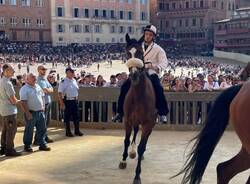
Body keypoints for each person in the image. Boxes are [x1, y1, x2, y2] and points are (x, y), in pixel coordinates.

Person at [112, 24, 169, 123]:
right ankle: (120, 112)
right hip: (139, 71)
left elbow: (164, 62)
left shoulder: (158, 49)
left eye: (150, 35)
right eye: (146, 34)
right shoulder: (138, 45)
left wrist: (155, 67)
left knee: (158, 87)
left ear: (153, 37)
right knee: (124, 87)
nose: (147, 36)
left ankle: (162, 113)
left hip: (151, 72)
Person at [20, 73, 51, 152]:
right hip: (31, 112)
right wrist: (27, 113)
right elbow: (23, 102)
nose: (35, 78)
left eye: (35, 77)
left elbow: (42, 97)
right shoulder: (24, 89)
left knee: (42, 129)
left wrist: (43, 106)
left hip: (40, 112)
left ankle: (42, 144)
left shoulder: (37, 86)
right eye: (32, 77)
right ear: (27, 79)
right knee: (29, 130)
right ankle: (27, 145)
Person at [0, 64, 22, 156]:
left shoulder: (1, 81)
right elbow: (12, 99)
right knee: (11, 130)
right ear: (6, 71)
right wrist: (20, 101)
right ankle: (9, 150)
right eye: (12, 70)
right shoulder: (8, 83)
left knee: (5, 130)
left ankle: (3, 148)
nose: (13, 71)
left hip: (3, 110)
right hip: (10, 111)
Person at [58, 68, 83, 137]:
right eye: (71, 72)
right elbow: (59, 93)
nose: (73, 73)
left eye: (73, 72)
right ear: (67, 73)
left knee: (76, 116)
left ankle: (77, 131)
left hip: (75, 100)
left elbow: (77, 89)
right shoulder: (63, 82)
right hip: (67, 101)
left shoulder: (74, 80)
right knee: (67, 117)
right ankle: (68, 132)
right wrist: (62, 103)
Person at [33, 65, 54, 145]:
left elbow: (51, 89)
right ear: (38, 70)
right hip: (43, 104)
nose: (44, 71)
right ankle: (37, 139)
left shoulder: (44, 79)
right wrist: (48, 90)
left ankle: (44, 136)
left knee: (46, 122)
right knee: (42, 123)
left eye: (45, 69)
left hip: (48, 102)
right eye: (43, 69)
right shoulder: (38, 80)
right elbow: (44, 91)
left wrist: (48, 90)